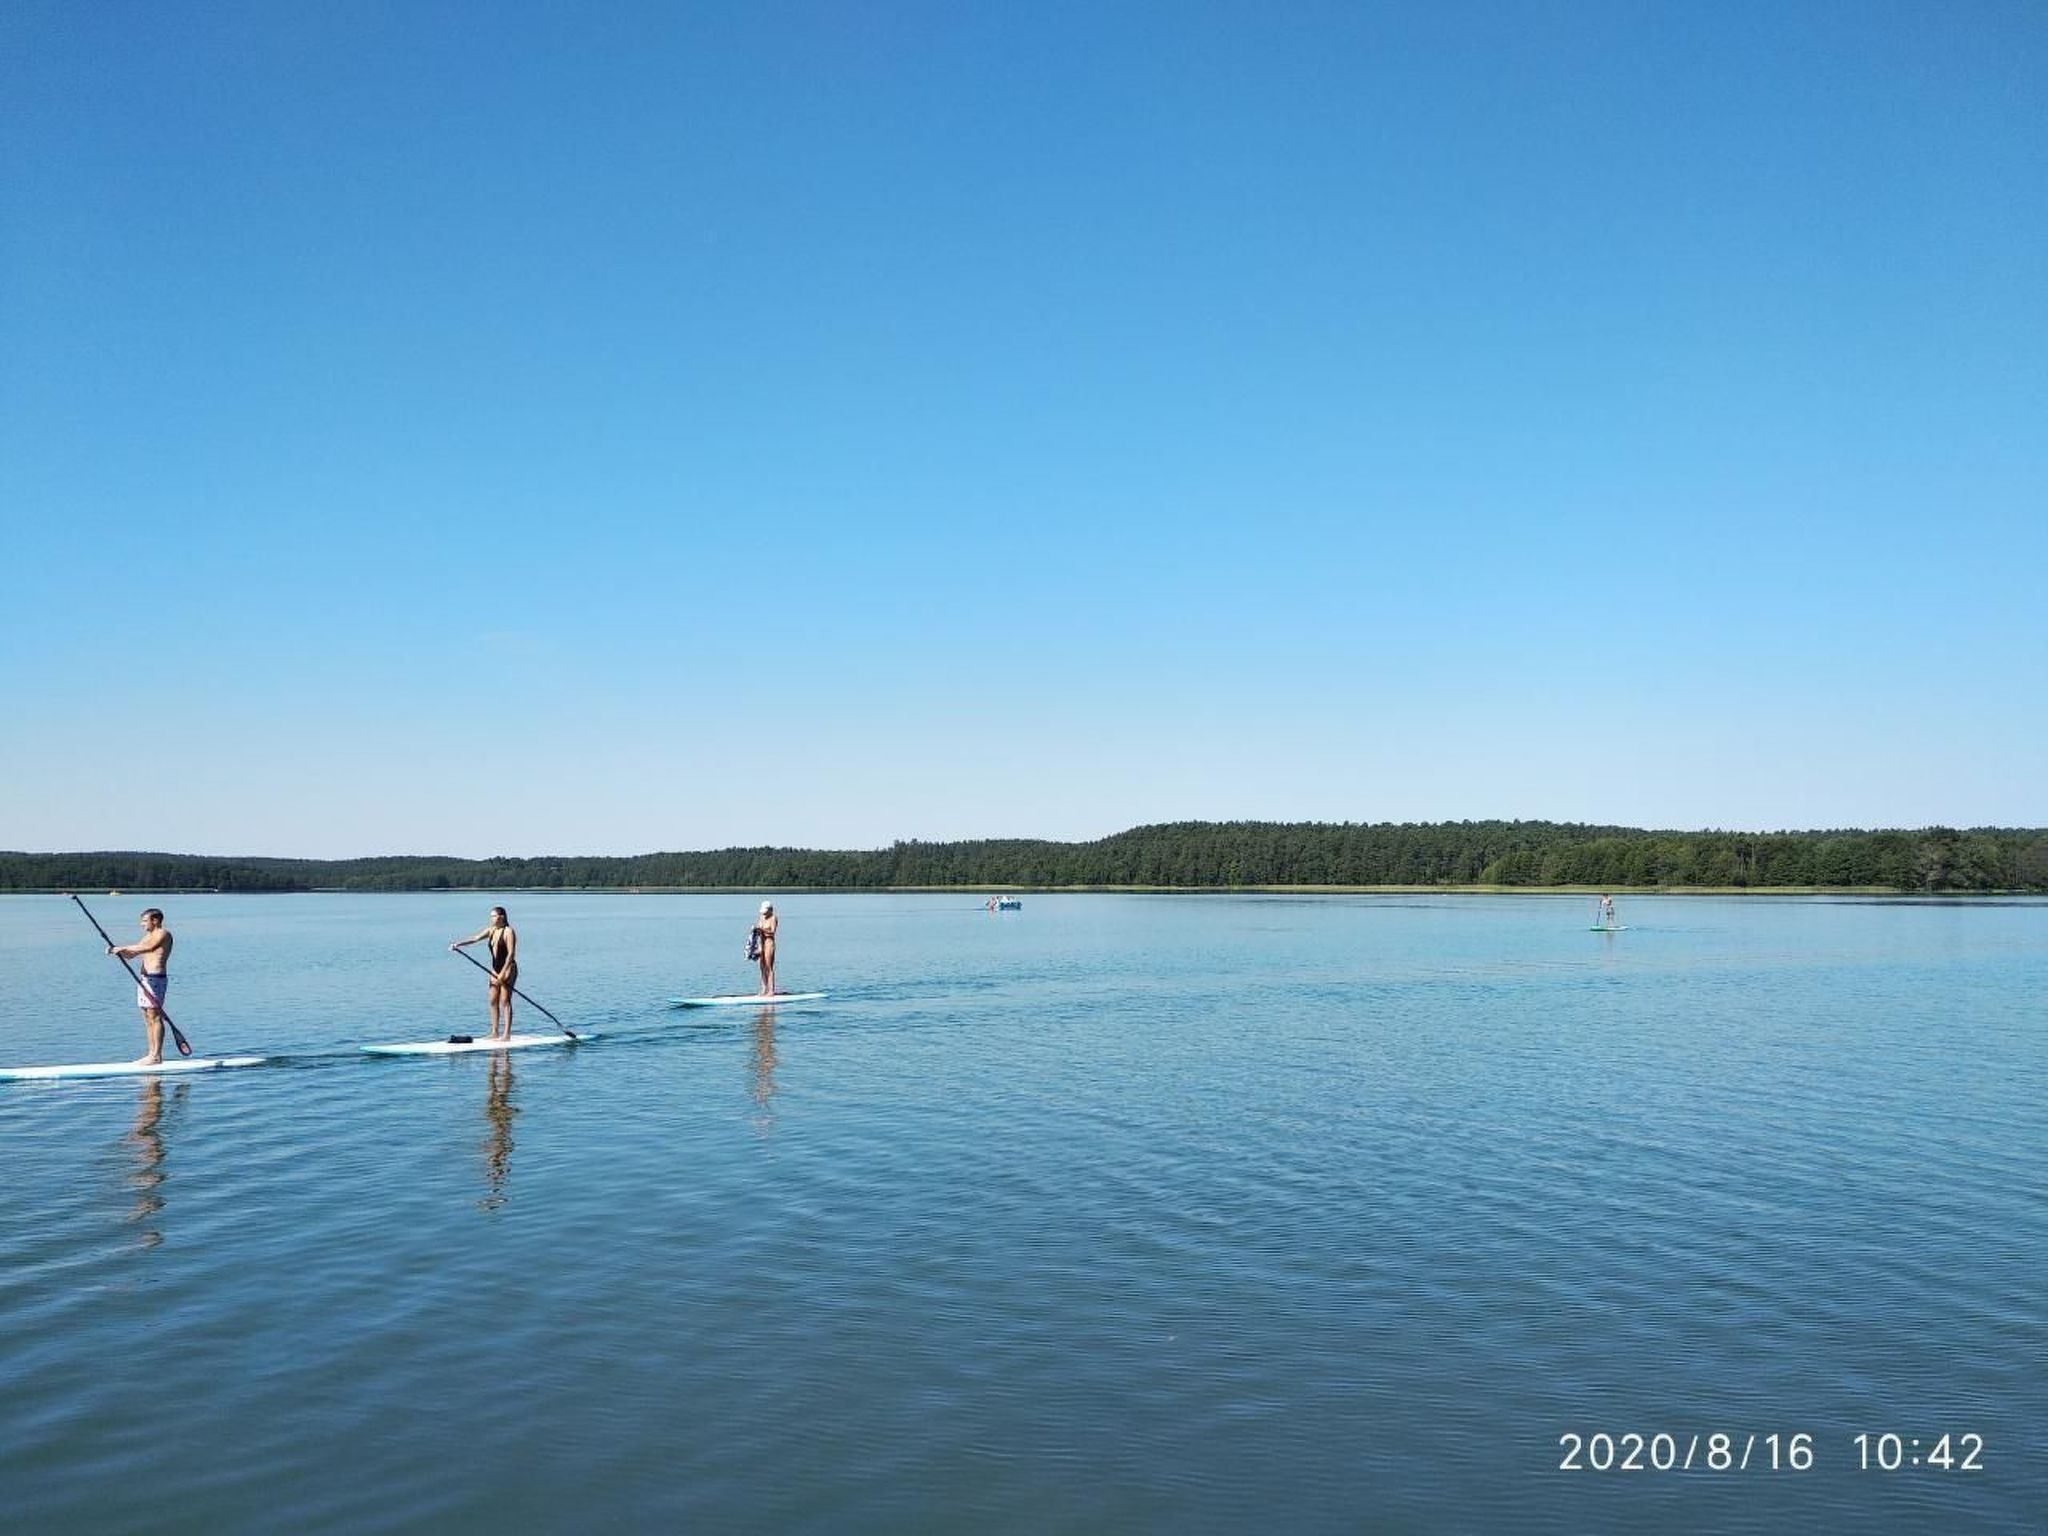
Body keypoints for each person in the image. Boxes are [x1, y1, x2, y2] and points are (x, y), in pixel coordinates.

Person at [109, 907, 173, 1064]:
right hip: (144, 979)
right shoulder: (147, 937)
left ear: (155, 920)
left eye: (145, 921)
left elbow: (149, 948)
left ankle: (157, 1055)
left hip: (156, 979)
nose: (141, 924)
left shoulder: (163, 934)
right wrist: (117, 952)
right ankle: (151, 1053)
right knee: (146, 1017)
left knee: (155, 1016)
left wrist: (123, 947)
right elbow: (132, 954)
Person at [451, 907, 519, 1040]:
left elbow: (511, 954)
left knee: (505, 1001)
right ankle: (494, 1032)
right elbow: (475, 938)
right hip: (494, 969)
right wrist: (458, 944)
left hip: (508, 968)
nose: (491, 919)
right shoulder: (492, 930)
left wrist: (503, 973)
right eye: (491, 916)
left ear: (502, 917)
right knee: (493, 1000)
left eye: (494, 916)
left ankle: (506, 1035)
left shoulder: (509, 932)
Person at [750, 901, 778, 996]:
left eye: (766, 912)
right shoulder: (762, 917)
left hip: (769, 943)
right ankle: (764, 988)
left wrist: (762, 930)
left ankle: (771, 990)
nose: (764, 914)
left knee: (768, 967)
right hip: (761, 944)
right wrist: (755, 930)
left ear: (770, 910)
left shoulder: (773, 918)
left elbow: (772, 932)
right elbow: (759, 931)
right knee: (761, 967)